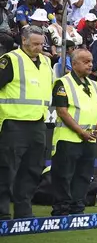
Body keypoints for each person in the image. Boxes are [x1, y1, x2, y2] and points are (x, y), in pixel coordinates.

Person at [0, 26, 53, 220]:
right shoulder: (10, 60)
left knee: (32, 169)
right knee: (6, 170)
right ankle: (2, 212)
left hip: (37, 122)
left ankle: (24, 211)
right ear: (24, 41)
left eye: (41, 44)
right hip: (13, 123)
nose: (39, 48)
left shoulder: (46, 62)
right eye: (35, 44)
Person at [50, 49, 97, 216]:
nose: (90, 65)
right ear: (74, 64)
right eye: (86, 62)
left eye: (91, 61)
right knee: (64, 175)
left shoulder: (94, 84)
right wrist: (81, 132)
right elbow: (62, 112)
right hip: (68, 138)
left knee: (84, 175)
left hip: (89, 139)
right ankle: (62, 209)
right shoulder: (62, 83)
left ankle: (77, 208)